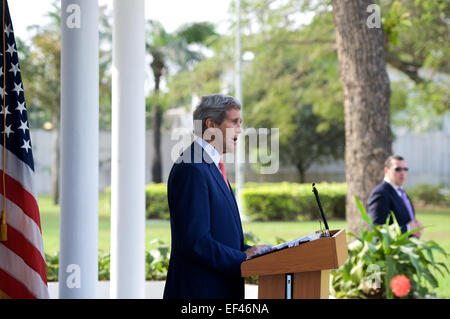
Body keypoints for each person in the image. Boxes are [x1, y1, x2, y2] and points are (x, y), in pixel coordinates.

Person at [163, 94, 268, 299]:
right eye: (235, 122)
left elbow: (220, 236)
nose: (240, 129)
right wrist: (242, 257)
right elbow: (196, 242)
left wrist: (253, 252)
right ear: (211, 124)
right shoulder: (191, 168)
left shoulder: (211, 165)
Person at [367, 155, 423, 238]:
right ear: (386, 170)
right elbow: (377, 230)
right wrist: (407, 229)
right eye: (398, 169)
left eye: (405, 169)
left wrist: (416, 228)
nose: (402, 172)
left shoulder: (401, 192)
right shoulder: (380, 193)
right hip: (392, 250)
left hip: (407, 248)